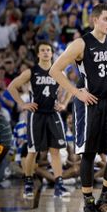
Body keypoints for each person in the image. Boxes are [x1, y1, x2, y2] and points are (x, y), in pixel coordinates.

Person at [49, 3, 107, 212]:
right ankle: (88, 203)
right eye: (106, 19)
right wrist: (76, 93)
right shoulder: (81, 43)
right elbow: (55, 69)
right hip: (89, 103)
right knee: (89, 154)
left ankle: (105, 200)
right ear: (95, 20)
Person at [8, 41, 71, 198]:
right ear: (37, 54)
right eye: (42, 50)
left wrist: (64, 103)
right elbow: (11, 87)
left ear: (51, 53)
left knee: (55, 151)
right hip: (36, 115)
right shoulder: (31, 72)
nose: (45, 53)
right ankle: (28, 182)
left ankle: (59, 185)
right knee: (33, 151)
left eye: (48, 50)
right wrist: (23, 104)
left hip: (52, 114)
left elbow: (70, 88)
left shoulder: (58, 72)